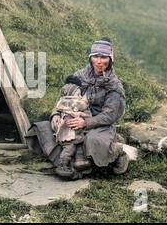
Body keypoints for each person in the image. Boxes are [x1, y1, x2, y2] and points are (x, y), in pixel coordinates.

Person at [51, 39, 129, 178]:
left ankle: (118, 152)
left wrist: (85, 122)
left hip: (100, 124)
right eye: (95, 56)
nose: (99, 61)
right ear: (90, 58)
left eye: (104, 57)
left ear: (110, 60)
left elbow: (109, 115)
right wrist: (56, 114)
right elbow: (65, 98)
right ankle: (75, 161)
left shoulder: (114, 86)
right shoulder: (79, 76)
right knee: (48, 129)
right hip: (74, 118)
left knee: (92, 141)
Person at [52, 75, 91, 178]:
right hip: (68, 132)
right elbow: (58, 109)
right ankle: (62, 165)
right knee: (69, 148)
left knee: (82, 141)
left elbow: (87, 112)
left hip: (82, 128)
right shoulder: (72, 102)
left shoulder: (68, 102)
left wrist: (83, 116)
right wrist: (56, 115)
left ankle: (80, 160)